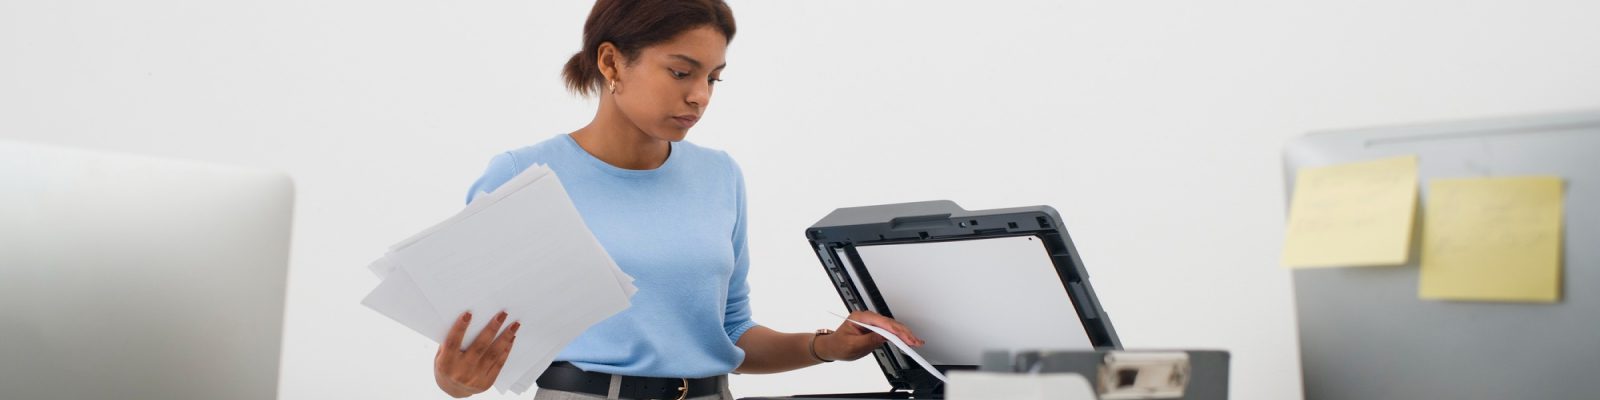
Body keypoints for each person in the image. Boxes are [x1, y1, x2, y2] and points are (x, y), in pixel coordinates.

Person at [428, 1, 924, 399]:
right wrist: (455, 383)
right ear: (610, 62)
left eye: (713, 78)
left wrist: (828, 347)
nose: (701, 97)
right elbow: (470, 348)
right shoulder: (523, 176)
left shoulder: (719, 176)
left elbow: (731, 334)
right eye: (681, 72)